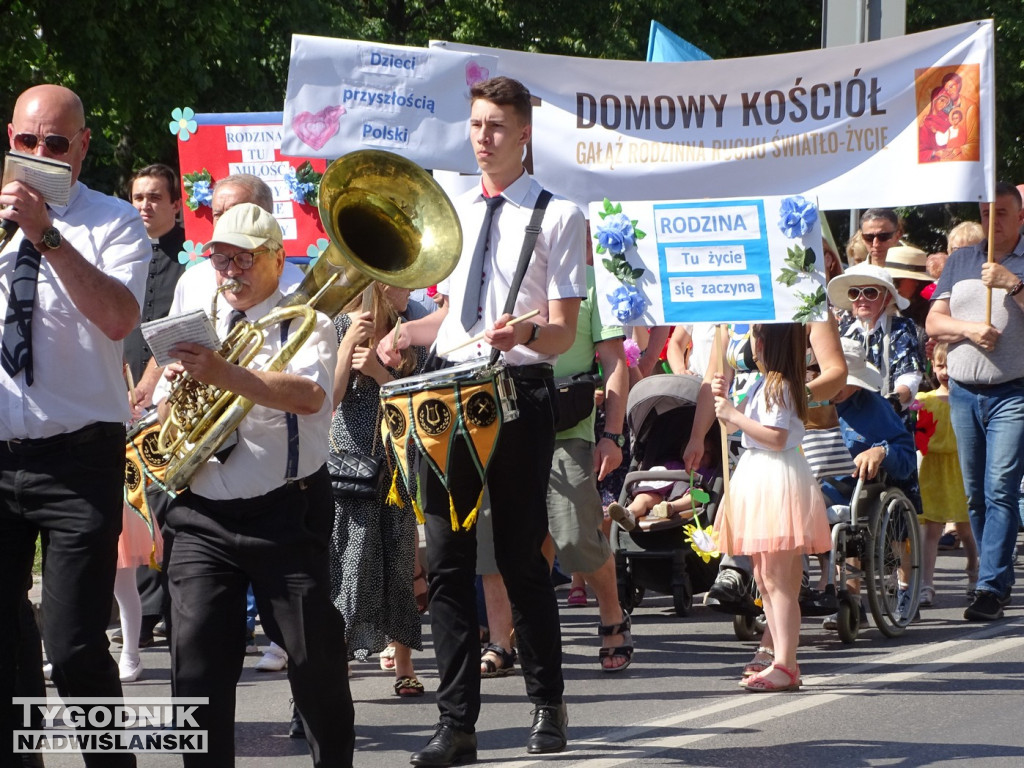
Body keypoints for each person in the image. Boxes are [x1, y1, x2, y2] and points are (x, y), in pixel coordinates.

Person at [377, 76, 585, 766]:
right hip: (449, 391)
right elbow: (454, 317)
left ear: (524, 133)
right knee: (445, 560)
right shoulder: (456, 210)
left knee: (522, 557)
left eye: (496, 125)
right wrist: (408, 336)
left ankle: (546, 704)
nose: (483, 137)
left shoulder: (557, 213)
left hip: (519, 390)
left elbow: (560, 331)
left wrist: (519, 338)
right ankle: (456, 723)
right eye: (475, 125)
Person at [154, 203, 353, 766]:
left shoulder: (307, 318)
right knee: (193, 670)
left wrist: (223, 373)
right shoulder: (198, 313)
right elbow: (169, 414)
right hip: (201, 514)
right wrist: (173, 390)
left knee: (315, 666)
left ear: (273, 259)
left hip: (284, 515)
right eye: (220, 260)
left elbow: (310, 396)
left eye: (242, 259)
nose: (231, 272)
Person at [0, 83, 150, 767]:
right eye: (26, 142)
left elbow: (119, 318)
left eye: (55, 144)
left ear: (83, 146)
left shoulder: (115, 222)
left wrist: (46, 235)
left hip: (79, 457)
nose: (38, 156)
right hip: (3, 454)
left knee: (73, 645)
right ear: (9, 138)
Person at [711, 323, 831, 692]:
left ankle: (786, 662)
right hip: (760, 472)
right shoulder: (767, 384)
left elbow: (777, 438)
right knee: (764, 576)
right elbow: (743, 428)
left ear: (763, 344)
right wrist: (726, 403)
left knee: (778, 579)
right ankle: (780, 657)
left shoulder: (780, 386)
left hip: (774, 475)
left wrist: (734, 415)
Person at [926, 181, 1024, 622]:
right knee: (975, 495)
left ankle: (991, 586)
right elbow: (933, 321)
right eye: (986, 212)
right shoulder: (963, 259)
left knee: (1001, 487)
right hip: (965, 392)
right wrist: (967, 329)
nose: (993, 220)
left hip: (1014, 391)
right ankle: (990, 573)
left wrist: (1014, 285)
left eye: (1002, 212)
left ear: (1020, 216)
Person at [329, 281, 430, 699]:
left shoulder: (414, 329)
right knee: (348, 562)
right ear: (378, 284)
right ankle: (337, 661)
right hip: (348, 458)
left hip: (395, 459)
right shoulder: (339, 325)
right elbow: (328, 399)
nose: (411, 288)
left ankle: (403, 663)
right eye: (401, 281)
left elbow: (419, 400)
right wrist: (346, 347)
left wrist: (377, 371)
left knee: (398, 557)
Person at [915, 343, 979, 605]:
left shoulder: (968, 399)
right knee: (932, 529)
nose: (945, 372)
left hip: (961, 468)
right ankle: (926, 584)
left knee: (965, 529)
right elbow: (920, 440)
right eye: (940, 366)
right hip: (933, 470)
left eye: (950, 366)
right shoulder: (925, 400)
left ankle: (975, 571)